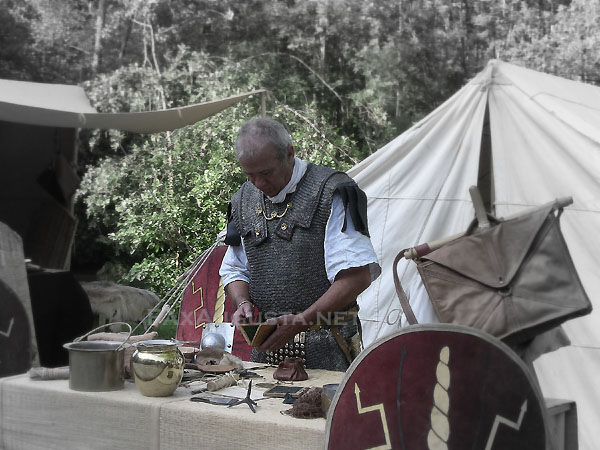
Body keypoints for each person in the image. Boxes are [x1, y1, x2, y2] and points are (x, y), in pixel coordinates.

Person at [219, 117, 381, 371]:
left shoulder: (332, 191)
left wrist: (303, 320)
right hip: (266, 351)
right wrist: (242, 302)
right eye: (250, 175)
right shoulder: (243, 200)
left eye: (265, 173)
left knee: (326, 410)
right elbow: (235, 269)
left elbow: (357, 275)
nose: (259, 184)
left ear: (289, 153)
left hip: (329, 345)